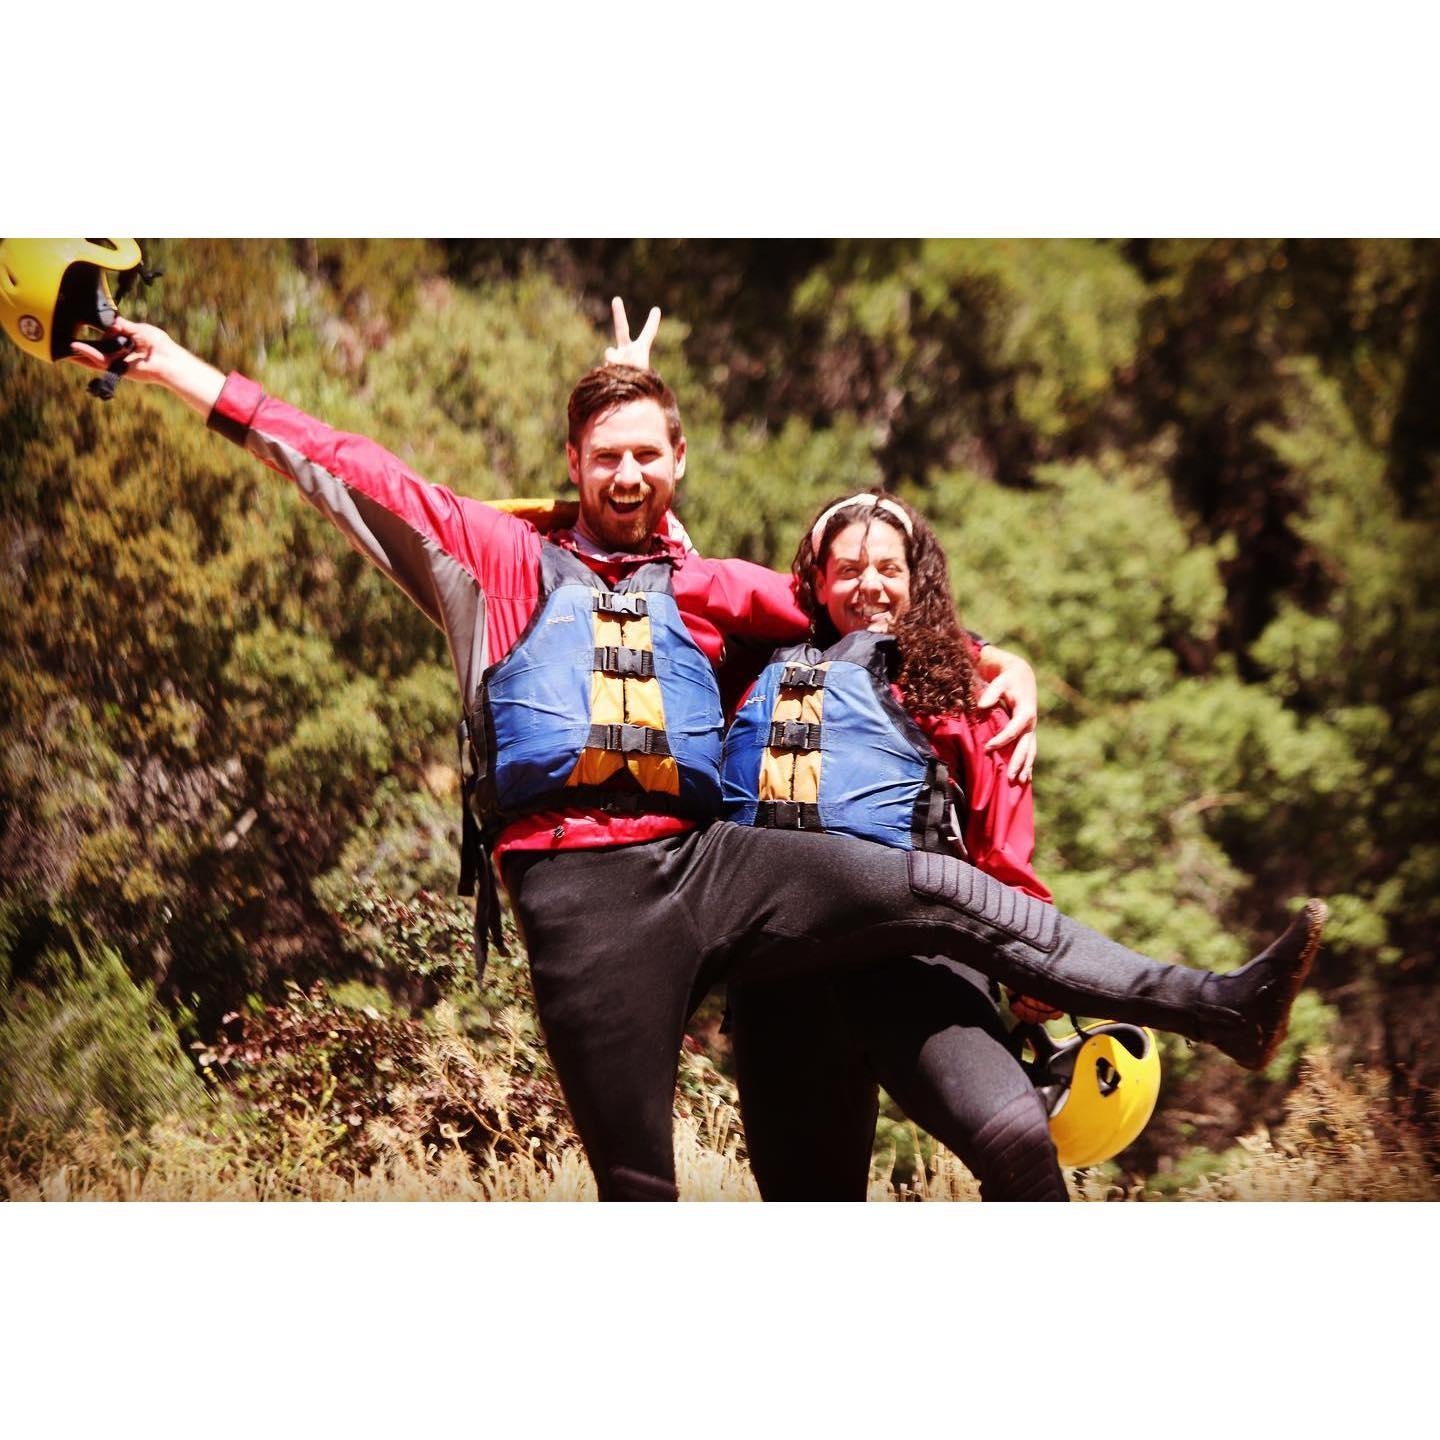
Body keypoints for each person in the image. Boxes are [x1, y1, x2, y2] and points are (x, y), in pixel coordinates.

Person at [67, 303, 1325, 1203]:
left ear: (678, 464)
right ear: (573, 466)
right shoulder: (496, 562)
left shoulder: (708, 587)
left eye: (646, 454)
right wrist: (184, 372)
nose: (626, 473)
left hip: (705, 866)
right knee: (638, 1192)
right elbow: (346, 464)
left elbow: (863, 621)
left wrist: (1002, 662)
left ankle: (1216, 1003)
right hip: (583, 905)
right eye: (605, 455)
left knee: (943, 888)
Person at [724, 492, 1071, 1200]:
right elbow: (683, 578)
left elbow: (1002, 847)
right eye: (848, 570)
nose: (871, 587)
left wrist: (1031, 962)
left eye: (888, 569)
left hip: (922, 960)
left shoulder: (966, 691)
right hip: (784, 983)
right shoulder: (756, 673)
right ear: (816, 582)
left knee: (1019, 1147)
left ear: (917, 579)